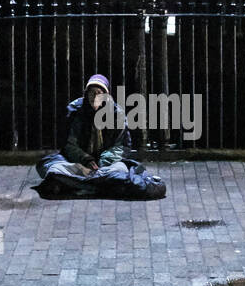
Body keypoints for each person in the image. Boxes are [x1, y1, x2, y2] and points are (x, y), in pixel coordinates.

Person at [33, 74, 165, 200]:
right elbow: (69, 144)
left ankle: (78, 185)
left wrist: (102, 162)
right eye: (92, 92)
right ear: (86, 94)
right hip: (79, 164)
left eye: (99, 93)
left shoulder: (116, 113)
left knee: (120, 170)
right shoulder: (76, 111)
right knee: (53, 168)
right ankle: (100, 186)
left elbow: (122, 146)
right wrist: (85, 159)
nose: (95, 96)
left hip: (105, 166)